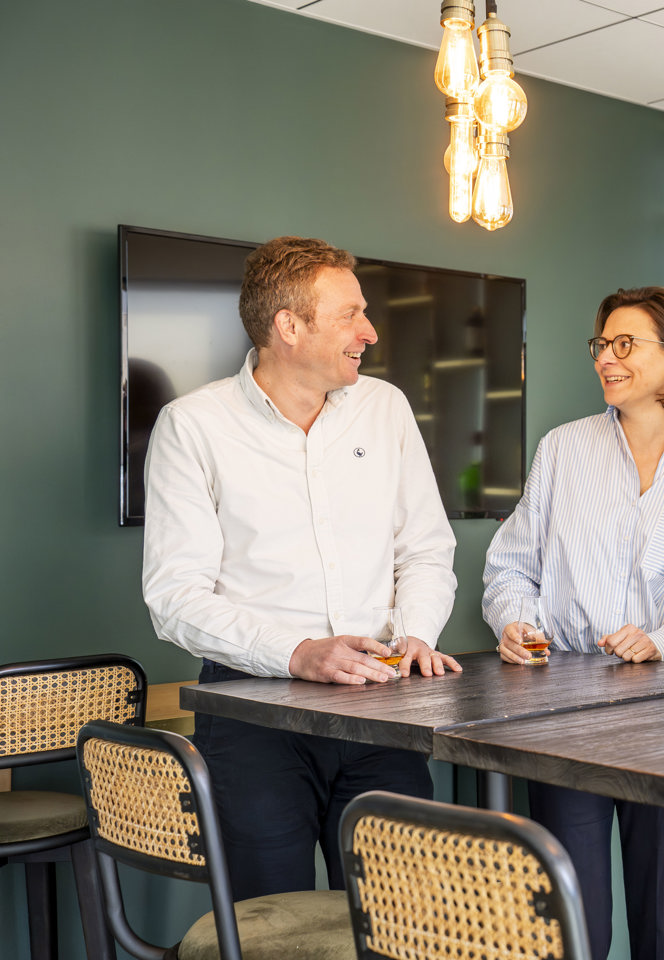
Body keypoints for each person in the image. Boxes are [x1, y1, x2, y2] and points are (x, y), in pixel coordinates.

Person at [142, 236, 460, 900]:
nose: (369, 332)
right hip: (253, 717)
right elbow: (175, 596)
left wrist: (416, 633)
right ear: (288, 326)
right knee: (270, 924)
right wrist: (297, 653)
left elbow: (426, 548)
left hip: (384, 708)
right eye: (350, 315)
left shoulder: (386, 407)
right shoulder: (191, 426)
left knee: (402, 920)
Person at [482, 285, 664, 960]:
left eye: (625, 344)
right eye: (602, 345)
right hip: (560, 709)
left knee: (662, 924)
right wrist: (514, 623)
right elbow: (511, 567)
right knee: (574, 927)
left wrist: (658, 642)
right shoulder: (562, 449)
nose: (606, 358)